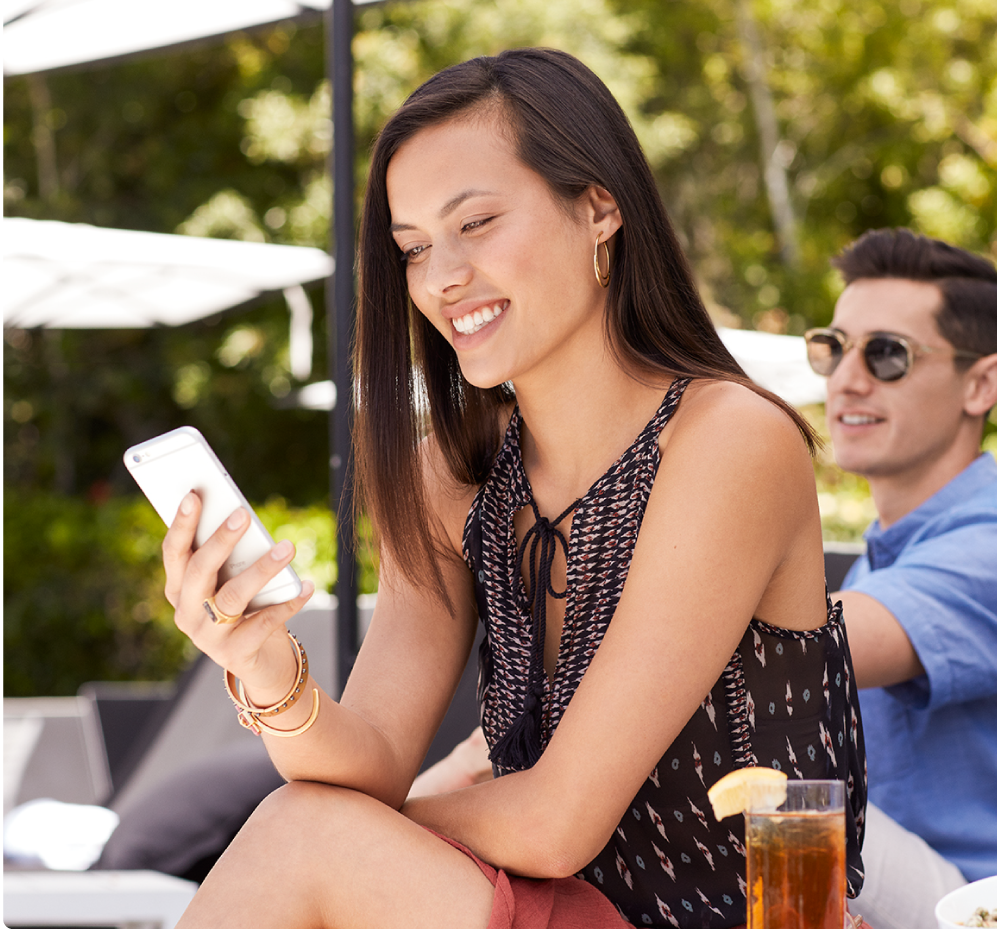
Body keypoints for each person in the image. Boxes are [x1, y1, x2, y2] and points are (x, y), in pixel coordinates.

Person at [162, 48, 866, 929]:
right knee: (306, 826)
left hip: (756, 915)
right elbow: (371, 756)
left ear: (599, 207)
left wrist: (373, 821)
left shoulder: (730, 441)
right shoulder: (451, 471)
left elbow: (555, 823)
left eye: (478, 223)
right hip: (544, 904)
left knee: (304, 832)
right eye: (413, 249)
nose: (441, 277)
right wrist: (260, 663)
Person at [804, 228, 997, 929]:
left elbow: (787, 652)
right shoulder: (875, 565)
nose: (847, 378)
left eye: (887, 354)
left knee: (776, 789)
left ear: (982, 383)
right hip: (899, 891)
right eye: (833, 347)